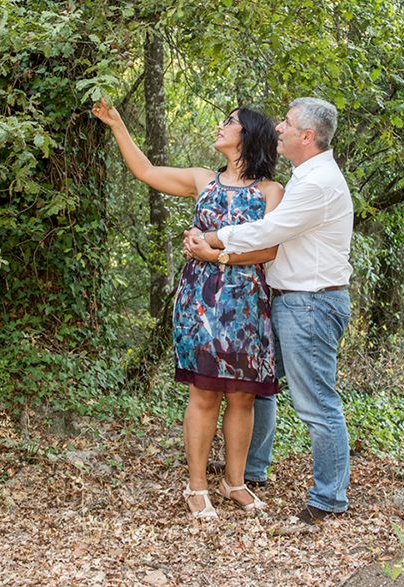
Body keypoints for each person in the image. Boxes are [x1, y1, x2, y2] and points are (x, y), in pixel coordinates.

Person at [92, 97, 284, 520]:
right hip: (200, 300)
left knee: (243, 397)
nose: (221, 126)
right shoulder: (203, 179)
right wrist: (118, 124)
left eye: (229, 122)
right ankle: (196, 487)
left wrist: (213, 251)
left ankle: (234, 483)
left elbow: (269, 248)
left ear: (247, 136)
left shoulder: (271, 191)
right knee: (204, 393)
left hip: (248, 301)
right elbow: (145, 171)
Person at [184, 97, 354, 524]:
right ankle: (246, 475)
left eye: (288, 123)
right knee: (257, 386)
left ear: (307, 136)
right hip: (286, 300)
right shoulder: (305, 176)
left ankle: (328, 499)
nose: (280, 128)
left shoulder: (315, 183)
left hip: (310, 303)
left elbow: (270, 231)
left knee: (316, 403)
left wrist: (213, 244)